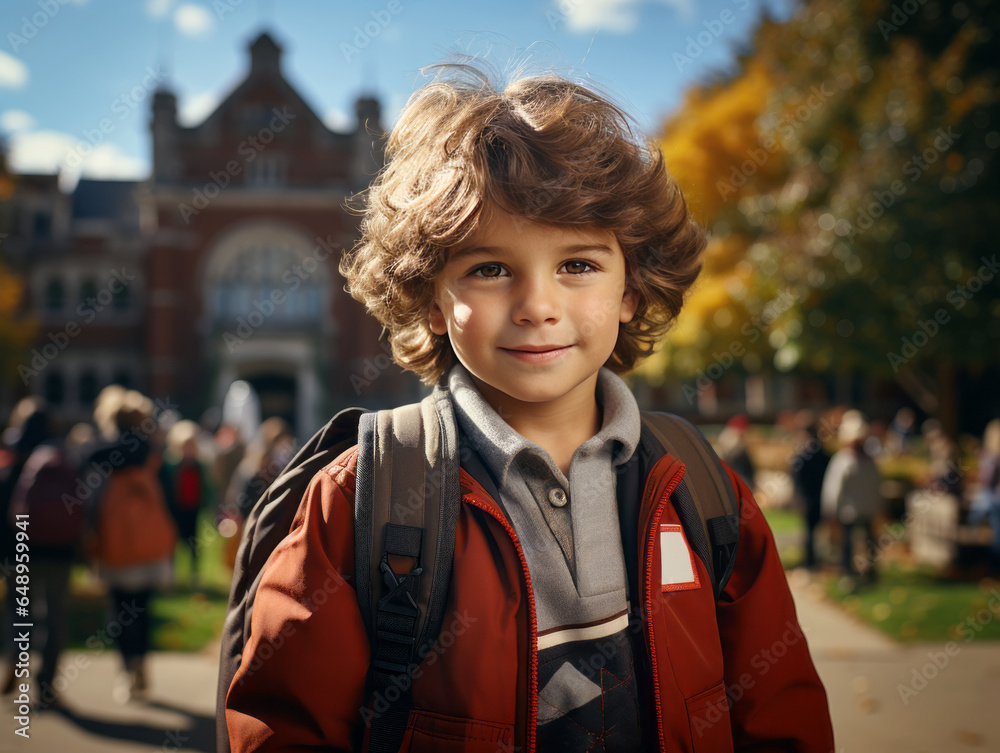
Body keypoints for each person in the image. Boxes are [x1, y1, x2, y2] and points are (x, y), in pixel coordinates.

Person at [225, 65, 834, 752]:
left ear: (631, 289)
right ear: (430, 297)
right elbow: (282, 729)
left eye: (577, 265)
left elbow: (780, 713)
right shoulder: (362, 501)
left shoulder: (701, 487)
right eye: (489, 268)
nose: (538, 306)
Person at [85, 388, 177, 703]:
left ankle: (126, 670)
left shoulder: (100, 452)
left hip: (114, 542)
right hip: (149, 543)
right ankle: (141, 665)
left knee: (119, 608)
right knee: (142, 608)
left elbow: (88, 494)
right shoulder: (151, 452)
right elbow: (169, 498)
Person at [821, 410, 884, 584]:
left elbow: (833, 489)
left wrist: (830, 509)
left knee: (860, 543)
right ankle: (850, 571)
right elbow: (834, 490)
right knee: (849, 543)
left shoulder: (849, 460)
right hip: (854, 510)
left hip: (860, 510)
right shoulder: (853, 460)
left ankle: (861, 572)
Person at [160, 419, 213, 588]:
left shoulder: (199, 465)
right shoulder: (170, 466)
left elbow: (206, 487)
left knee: (194, 543)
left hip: (193, 509)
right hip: (175, 509)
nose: (188, 450)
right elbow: (166, 488)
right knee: (171, 543)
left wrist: (206, 503)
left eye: (191, 446)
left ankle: (194, 575)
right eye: (185, 446)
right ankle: (169, 577)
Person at [791, 410, 831, 570]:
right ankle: (813, 559)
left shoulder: (804, 453)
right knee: (815, 530)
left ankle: (810, 560)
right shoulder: (821, 451)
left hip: (809, 496)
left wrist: (798, 495)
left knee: (809, 531)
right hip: (818, 494)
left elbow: (797, 475)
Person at [968, 419, 1000, 574]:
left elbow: (987, 480)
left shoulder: (992, 456)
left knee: (995, 534)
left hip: (996, 499)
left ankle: (993, 565)